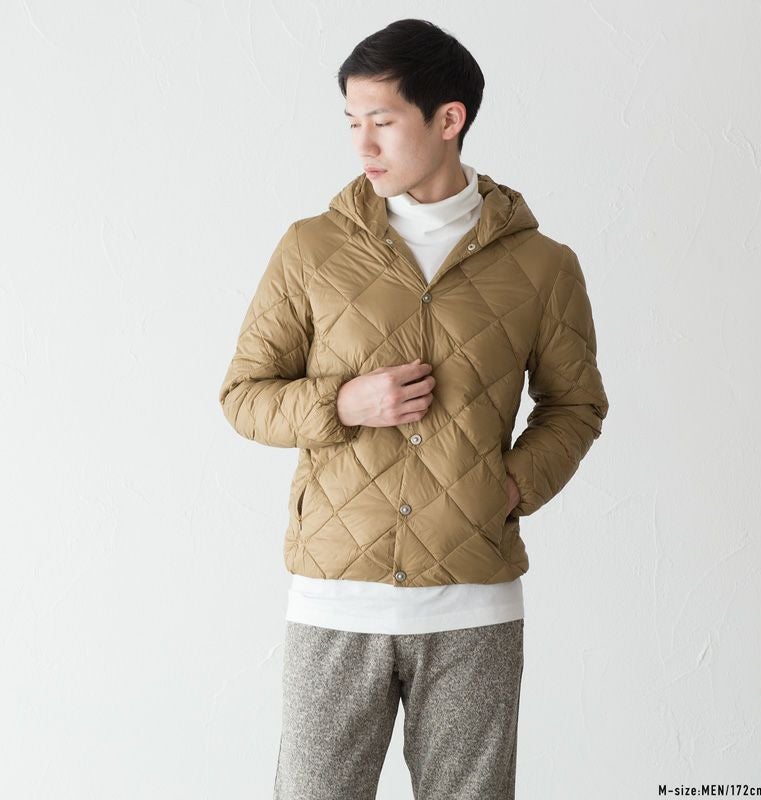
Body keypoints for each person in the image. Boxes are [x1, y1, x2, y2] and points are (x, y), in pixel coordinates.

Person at [218, 17, 610, 800]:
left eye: (383, 121)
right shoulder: (311, 249)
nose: (362, 144)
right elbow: (244, 396)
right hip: (336, 599)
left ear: (448, 119)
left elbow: (575, 404)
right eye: (351, 122)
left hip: (472, 606)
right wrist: (343, 402)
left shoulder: (542, 266)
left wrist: (508, 487)